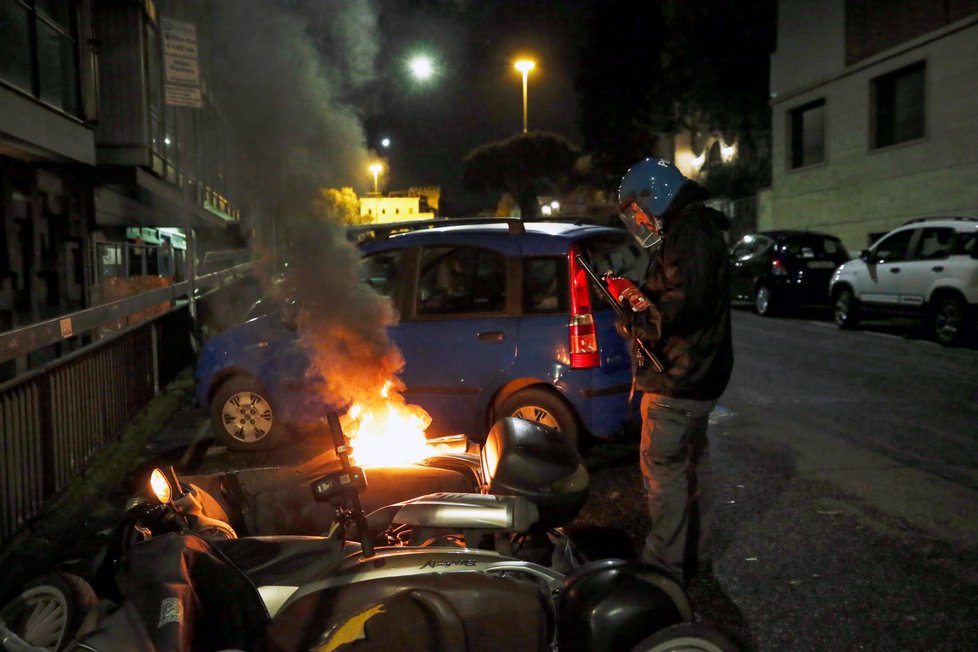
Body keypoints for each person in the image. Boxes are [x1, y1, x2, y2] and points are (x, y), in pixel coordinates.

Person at [611, 157, 734, 584]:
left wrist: (635, 320)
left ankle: (663, 571)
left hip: (679, 375)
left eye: (636, 208)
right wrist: (639, 293)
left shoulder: (688, 233)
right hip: (697, 372)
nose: (638, 218)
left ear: (653, 194)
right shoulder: (694, 228)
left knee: (664, 472)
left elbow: (683, 304)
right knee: (692, 467)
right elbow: (681, 292)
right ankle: (692, 559)